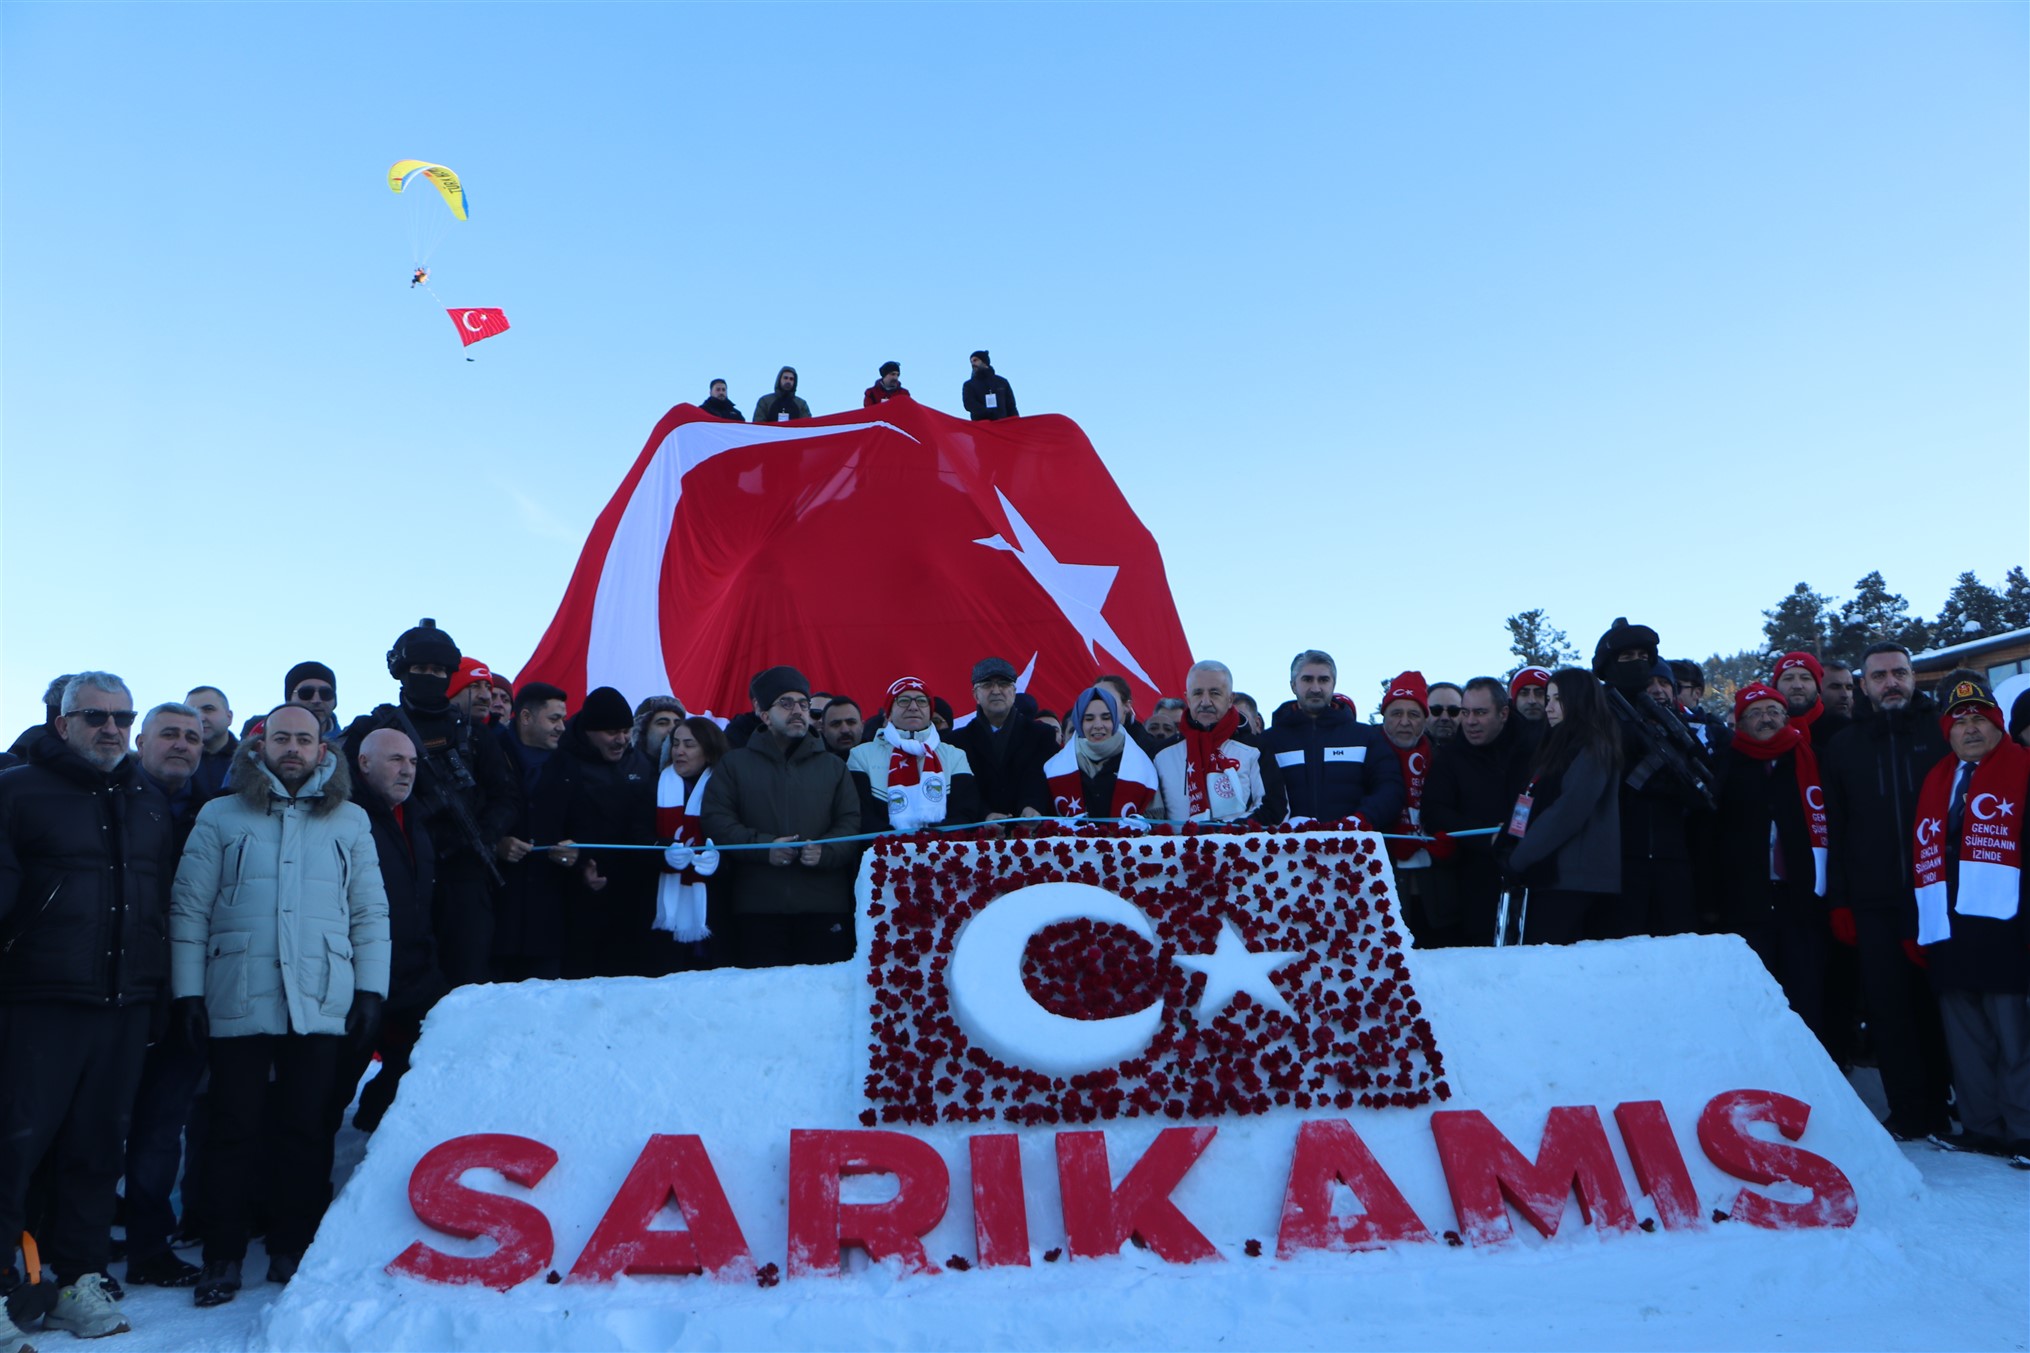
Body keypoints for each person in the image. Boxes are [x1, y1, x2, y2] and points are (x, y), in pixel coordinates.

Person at [169, 704, 390, 1305]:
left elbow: (369, 911)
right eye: (281, 737)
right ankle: (223, 1252)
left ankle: (293, 1242)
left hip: (320, 993)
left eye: (305, 739)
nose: (292, 747)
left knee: (305, 1126)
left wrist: (371, 988)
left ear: (325, 750)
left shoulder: (349, 821)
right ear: (259, 746)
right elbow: (189, 909)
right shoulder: (219, 814)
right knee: (232, 1127)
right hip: (236, 990)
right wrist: (188, 991)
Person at [0, 673, 176, 1340]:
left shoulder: (150, 802)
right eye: (95, 716)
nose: (111, 728)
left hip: (124, 1004)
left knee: (96, 1151)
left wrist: (158, 992)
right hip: (36, 1000)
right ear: (62, 721)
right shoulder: (15, 789)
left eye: (122, 717)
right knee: (12, 1149)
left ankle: (79, 1277)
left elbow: (160, 908)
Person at [1821, 641, 1955, 1139]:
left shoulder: (1941, 733)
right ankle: (1908, 1110)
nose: (1891, 682)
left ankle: (1947, 1102)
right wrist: (1840, 900)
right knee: (1889, 1007)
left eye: (1899, 672)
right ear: (1864, 685)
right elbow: (1834, 826)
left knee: (1941, 1003)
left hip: (1937, 894)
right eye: (1879, 676)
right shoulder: (1844, 745)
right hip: (1873, 899)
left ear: (1914, 677)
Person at [343, 620, 521, 989]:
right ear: (402, 673)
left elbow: (506, 796)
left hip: (464, 872)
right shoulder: (373, 729)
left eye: (438, 670)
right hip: (395, 869)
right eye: (420, 670)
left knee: (467, 981)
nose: (429, 677)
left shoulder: (474, 734)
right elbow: (350, 795)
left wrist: (484, 836)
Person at [1910, 676, 2030, 1160]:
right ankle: (1983, 1126)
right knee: (1967, 1038)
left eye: (1980, 718)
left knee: (2015, 1037)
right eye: (1960, 721)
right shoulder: (1938, 778)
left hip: (2008, 927)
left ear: (1998, 724)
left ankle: (2023, 1129)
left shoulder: (2025, 769)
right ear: (1948, 732)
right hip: (1949, 930)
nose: (1970, 728)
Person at [121, 702, 213, 1291]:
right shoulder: (109, 800)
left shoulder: (215, 813)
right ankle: (58, 1239)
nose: (181, 745)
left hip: (186, 993)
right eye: (169, 734)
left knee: (162, 1125)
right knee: (91, 1123)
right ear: (140, 740)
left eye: (192, 737)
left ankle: (149, 1247)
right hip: (117, 989)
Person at [699, 667, 860, 968]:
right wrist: (764, 847)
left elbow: (850, 822)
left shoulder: (834, 767)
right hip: (758, 908)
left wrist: (825, 850)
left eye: (803, 703)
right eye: (786, 703)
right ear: (763, 713)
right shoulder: (735, 765)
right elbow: (717, 819)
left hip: (823, 906)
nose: (798, 711)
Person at [331, 728, 445, 1139]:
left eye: (413, 762)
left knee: (414, 1068)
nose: (407, 770)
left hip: (415, 973)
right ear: (363, 763)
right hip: (357, 981)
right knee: (331, 1091)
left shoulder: (413, 816)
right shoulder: (343, 817)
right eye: (396, 760)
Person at [1712, 683, 1833, 1049]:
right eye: (1755, 713)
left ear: (1785, 717)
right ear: (1740, 722)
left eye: (1772, 712)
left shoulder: (1814, 759)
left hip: (1803, 901)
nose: (1765, 719)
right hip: (1746, 903)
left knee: (1807, 998)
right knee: (1755, 999)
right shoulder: (1724, 765)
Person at [1592, 617, 1704, 939]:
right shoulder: (1596, 714)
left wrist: (1684, 783)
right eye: (1627, 659)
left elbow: (1699, 765)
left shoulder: (1664, 716)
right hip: (1616, 858)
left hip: (1673, 856)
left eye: (1644, 658)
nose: (1638, 665)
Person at [535, 688, 657, 979]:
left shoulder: (640, 763)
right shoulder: (561, 762)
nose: (621, 740)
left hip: (634, 888)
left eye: (626, 731)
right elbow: (548, 828)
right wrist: (579, 866)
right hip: (579, 891)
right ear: (590, 731)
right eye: (612, 732)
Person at [1501, 668, 1623, 945]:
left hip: (1573, 879)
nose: (1549, 707)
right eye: (1549, 698)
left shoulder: (1592, 745)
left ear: (1579, 700)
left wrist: (1519, 857)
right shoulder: (1558, 745)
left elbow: (1567, 812)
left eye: (1558, 699)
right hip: (1553, 876)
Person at [1423, 677, 1530, 947]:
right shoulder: (1451, 757)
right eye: (1466, 712)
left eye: (1480, 713)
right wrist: (1486, 838)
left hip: (1533, 869)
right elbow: (1434, 812)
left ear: (1503, 713)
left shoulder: (1532, 746)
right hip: (1475, 877)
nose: (1470, 721)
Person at [490, 683, 578, 983]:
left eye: (563, 719)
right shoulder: (490, 753)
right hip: (496, 918)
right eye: (554, 719)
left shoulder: (568, 764)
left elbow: (583, 824)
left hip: (547, 922)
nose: (561, 727)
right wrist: (496, 844)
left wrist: (576, 850)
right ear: (526, 717)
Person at [1257, 651, 1399, 828]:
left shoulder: (1366, 737)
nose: (1316, 688)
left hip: (1354, 847)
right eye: (1307, 679)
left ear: (1333, 684)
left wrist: (1360, 821)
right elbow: (1256, 798)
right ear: (1293, 685)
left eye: (1323, 680)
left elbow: (1389, 787)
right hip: (1286, 848)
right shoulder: (1268, 742)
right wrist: (1280, 825)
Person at [1150, 661, 1287, 825]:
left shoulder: (1255, 749)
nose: (1206, 702)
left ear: (1230, 699)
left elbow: (1274, 809)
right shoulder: (1162, 754)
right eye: (1198, 693)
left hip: (1237, 848)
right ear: (1187, 698)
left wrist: (1220, 832)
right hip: (1178, 849)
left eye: (1215, 693)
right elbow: (1152, 817)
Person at [1376, 672, 1451, 942]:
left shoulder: (1443, 757)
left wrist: (1449, 838)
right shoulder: (1367, 753)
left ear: (1425, 719)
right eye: (1396, 713)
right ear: (1384, 716)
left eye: (1414, 714)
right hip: (1385, 882)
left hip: (1436, 884)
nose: (1405, 722)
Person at [848, 678, 979, 832]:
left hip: (945, 851)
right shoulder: (861, 755)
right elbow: (862, 816)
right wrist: (900, 843)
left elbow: (965, 813)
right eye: (903, 700)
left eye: (922, 701)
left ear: (930, 711)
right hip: (884, 851)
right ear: (889, 713)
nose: (913, 707)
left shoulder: (954, 755)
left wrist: (931, 840)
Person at [655, 716, 729, 970]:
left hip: (715, 906)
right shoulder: (655, 785)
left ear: (708, 752)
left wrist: (719, 859)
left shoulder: (726, 789)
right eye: (676, 744)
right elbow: (638, 835)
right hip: (662, 905)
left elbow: (737, 836)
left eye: (689, 744)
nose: (680, 751)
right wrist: (662, 850)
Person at [945, 657, 1053, 821]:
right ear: (975, 694)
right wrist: (985, 814)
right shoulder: (956, 742)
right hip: (976, 836)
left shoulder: (1042, 735)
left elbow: (1044, 780)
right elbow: (960, 791)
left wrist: (1033, 805)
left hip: (1030, 833)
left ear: (1014, 691)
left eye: (1003, 684)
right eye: (987, 685)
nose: (996, 691)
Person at [1044, 685, 1160, 821]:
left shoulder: (1142, 767)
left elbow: (1154, 822)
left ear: (1115, 721)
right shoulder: (1053, 768)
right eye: (1089, 719)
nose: (1098, 725)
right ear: (1079, 722)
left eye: (1106, 718)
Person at [1773, 651, 1849, 750]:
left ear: (1818, 686)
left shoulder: (1844, 730)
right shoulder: (1764, 730)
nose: (1797, 686)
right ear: (1776, 686)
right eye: (1788, 678)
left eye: (1805, 678)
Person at [185, 685, 237, 796]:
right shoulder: (174, 758)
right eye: (191, 712)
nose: (200, 717)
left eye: (208, 709)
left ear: (229, 717)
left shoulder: (253, 759)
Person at [284, 661, 343, 743]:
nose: (316, 700)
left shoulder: (353, 747)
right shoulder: (263, 743)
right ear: (289, 700)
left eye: (325, 693)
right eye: (306, 693)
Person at [631, 695, 686, 773]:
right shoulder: (625, 770)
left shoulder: (692, 773)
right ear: (643, 731)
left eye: (677, 724)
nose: (672, 729)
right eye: (662, 723)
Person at [962, 350, 1018, 421]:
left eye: (975, 360)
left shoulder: (1002, 382)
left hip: (1002, 425)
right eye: (971, 362)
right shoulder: (969, 385)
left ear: (984, 361)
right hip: (981, 427)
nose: (973, 364)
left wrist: (1017, 423)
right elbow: (969, 404)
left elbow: (1011, 406)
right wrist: (989, 414)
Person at [446, 657, 495, 726]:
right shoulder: (430, 732)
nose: (486, 696)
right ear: (451, 692)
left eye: (488, 687)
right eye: (474, 686)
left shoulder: (501, 734)